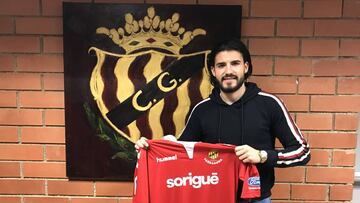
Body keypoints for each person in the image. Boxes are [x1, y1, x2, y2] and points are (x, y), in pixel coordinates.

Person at [135, 38, 311, 203]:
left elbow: (302, 151)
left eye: (235, 63)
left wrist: (262, 156)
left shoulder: (269, 104)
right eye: (221, 65)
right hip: (213, 198)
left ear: (246, 67)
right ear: (213, 71)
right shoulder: (202, 109)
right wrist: (152, 148)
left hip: (257, 199)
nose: (228, 71)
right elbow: (183, 153)